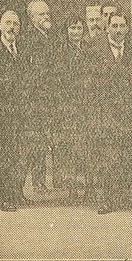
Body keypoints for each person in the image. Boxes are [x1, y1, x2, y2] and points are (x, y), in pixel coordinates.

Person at [84, 12, 132, 215]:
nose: (118, 30)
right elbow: (90, 83)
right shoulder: (94, 49)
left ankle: (125, 197)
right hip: (105, 110)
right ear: (107, 27)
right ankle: (106, 200)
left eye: (122, 26)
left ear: (128, 28)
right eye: (115, 26)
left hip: (129, 110)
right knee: (108, 154)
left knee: (127, 153)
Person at [0, 10, 31, 211]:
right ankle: (2, 199)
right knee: (4, 155)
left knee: (16, 153)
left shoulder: (21, 49)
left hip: (18, 111)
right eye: (8, 23)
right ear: (0, 26)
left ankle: (15, 194)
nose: (12, 27)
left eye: (15, 24)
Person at [52, 14, 89, 198]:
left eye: (79, 28)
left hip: (85, 104)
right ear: (66, 31)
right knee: (69, 146)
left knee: (83, 145)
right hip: (68, 106)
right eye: (72, 28)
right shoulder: (61, 51)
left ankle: (85, 187)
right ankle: (71, 188)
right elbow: (58, 79)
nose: (76, 32)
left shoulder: (88, 49)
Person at [23, 0, 57, 195]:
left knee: (45, 140)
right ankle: (37, 183)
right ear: (32, 18)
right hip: (38, 100)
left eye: (47, 13)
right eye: (41, 15)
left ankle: (42, 182)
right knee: (37, 142)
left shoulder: (49, 36)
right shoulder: (30, 39)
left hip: (50, 98)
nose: (46, 17)